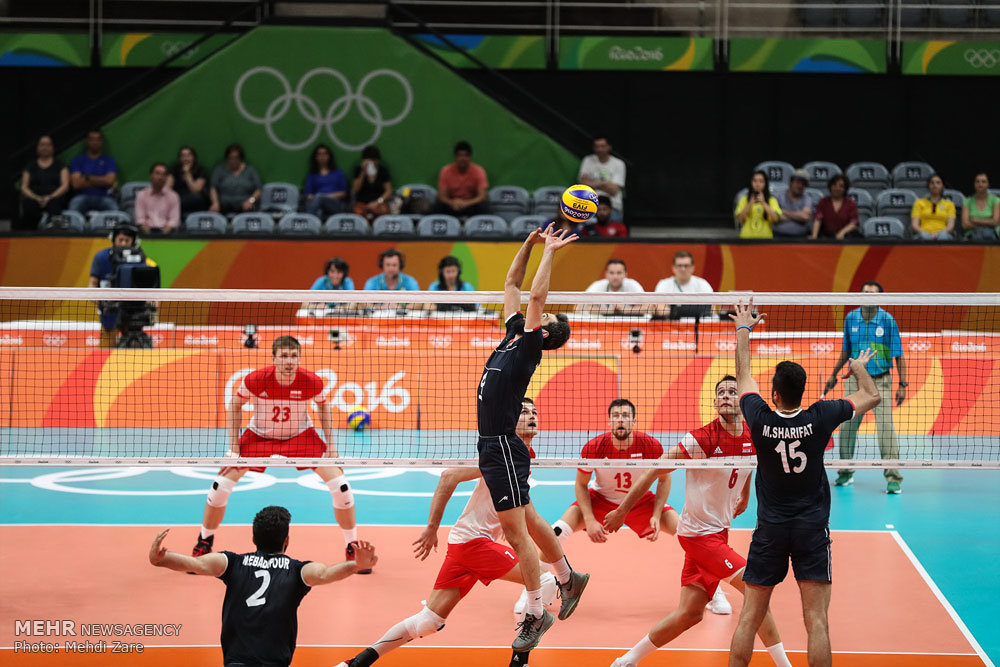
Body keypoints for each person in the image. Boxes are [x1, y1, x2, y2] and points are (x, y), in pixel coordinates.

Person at [334, 399, 561, 667]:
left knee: (428, 621)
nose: (531, 415)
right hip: (474, 543)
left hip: (466, 544)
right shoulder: (502, 453)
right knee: (544, 582)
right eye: (523, 412)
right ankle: (519, 659)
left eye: (534, 412)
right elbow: (448, 476)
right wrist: (431, 528)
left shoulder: (524, 456)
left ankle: (355, 663)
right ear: (511, 421)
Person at [726, 299, 881, 667]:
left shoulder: (759, 418)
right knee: (816, 622)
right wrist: (858, 367)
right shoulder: (821, 415)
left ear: (775, 394)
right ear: (802, 391)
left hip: (771, 531)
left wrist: (743, 329)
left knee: (750, 616)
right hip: (812, 529)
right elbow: (871, 396)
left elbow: (742, 374)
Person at [606, 376, 794, 667]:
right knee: (756, 589)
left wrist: (743, 494)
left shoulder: (751, 436)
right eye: (721, 393)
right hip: (698, 535)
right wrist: (621, 511)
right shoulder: (700, 440)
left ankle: (626, 661)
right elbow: (655, 470)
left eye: (733, 391)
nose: (727, 396)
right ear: (715, 402)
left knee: (690, 613)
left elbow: (748, 463)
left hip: (718, 532)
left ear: (742, 402)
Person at [476, 223, 588, 652]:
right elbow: (511, 283)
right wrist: (528, 243)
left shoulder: (528, 346)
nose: (534, 311)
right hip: (493, 444)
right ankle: (568, 578)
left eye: (544, 316)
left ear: (545, 331)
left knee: (515, 532)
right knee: (530, 517)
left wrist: (552, 251)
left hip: (503, 443)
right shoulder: (512, 334)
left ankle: (537, 614)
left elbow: (537, 296)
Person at [191, 336, 365, 571]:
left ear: (299, 358)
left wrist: (331, 445)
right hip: (259, 437)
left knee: (341, 484)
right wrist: (233, 448)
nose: (289, 361)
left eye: (294, 356)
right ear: (273, 359)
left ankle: (351, 545)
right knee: (219, 485)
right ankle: (204, 540)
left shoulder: (311, 381)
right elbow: (234, 404)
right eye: (283, 356)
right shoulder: (255, 380)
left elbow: (323, 406)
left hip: (300, 437)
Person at [150, 505, 376, 667]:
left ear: (253, 538)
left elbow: (196, 564)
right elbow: (326, 573)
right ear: (286, 540)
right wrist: (355, 565)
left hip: (235, 661)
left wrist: (161, 559)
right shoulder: (297, 570)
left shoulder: (232, 562)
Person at [548, 398, 680, 551]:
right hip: (601, 499)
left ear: (633, 421)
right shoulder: (594, 448)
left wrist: (656, 515)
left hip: (641, 502)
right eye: (616, 416)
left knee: (685, 532)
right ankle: (548, 574)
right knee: (557, 532)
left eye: (625, 415)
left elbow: (664, 480)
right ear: (610, 422)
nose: (620, 420)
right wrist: (589, 520)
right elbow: (581, 484)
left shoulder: (650, 446)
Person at [824, 281, 907, 493]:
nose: (869, 296)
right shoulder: (851, 318)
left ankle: (893, 477)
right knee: (847, 426)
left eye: (873, 294)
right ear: (859, 295)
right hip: (855, 380)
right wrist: (834, 374)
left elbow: (898, 354)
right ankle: (845, 471)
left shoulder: (887, 320)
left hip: (881, 380)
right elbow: (846, 350)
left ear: (880, 297)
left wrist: (903, 384)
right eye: (865, 293)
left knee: (886, 429)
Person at [88, 222, 157, 347]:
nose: (123, 244)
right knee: (105, 353)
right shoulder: (101, 257)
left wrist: (153, 302)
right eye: (120, 240)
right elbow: (92, 283)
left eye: (127, 240)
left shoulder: (141, 258)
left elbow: (150, 285)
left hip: (133, 313)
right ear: (113, 239)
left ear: (134, 241)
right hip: (109, 313)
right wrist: (97, 298)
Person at [20, 135, 69, 229]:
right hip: (34, 198)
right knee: (28, 204)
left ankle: (54, 231)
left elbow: (65, 186)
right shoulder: (30, 166)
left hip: (54, 197)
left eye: (48, 145)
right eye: (42, 145)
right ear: (37, 147)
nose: (45, 147)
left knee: (56, 204)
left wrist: (49, 197)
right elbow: (24, 187)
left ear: (53, 147)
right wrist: (36, 198)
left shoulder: (60, 166)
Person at [68, 128, 118, 214]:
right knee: (73, 207)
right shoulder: (77, 160)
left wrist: (87, 177)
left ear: (101, 142)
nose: (95, 142)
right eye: (92, 140)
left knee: (114, 210)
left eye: (98, 140)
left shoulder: (109, 160)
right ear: (87, 141)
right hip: (82, 196)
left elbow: (109, 181)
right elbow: (76, 184)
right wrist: (102, 181)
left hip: (104, 197)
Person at [435, 140, 488, 218]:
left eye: (466, 156)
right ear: (455, 157)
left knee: (484, 207)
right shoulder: (445, 171)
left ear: (470, 157)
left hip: (470, 204)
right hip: (452, 204)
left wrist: (466, 203)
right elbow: (442, 196)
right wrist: (452, 203)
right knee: (437, 206)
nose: (462, 159)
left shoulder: (479, 171)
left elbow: (482, 196)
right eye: (460, 155)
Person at [653, 250, 714, 318]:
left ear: (692, 268)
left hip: (697, 325)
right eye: (679, 265)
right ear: (673, 268)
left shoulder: (703, 284)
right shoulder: (663, 284)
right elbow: (659, 309)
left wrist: (674, 310)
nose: (683, 269)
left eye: (686, 266)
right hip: (670, 326)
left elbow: (711, 309)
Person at [578, 135, 626, 220]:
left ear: (609, 147)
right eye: (597, 147)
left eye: (602, 146)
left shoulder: (619, 164)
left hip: (612, 206)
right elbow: (583, 185)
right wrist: (604, 183)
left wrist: (592, 184)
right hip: (589, 205)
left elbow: (613, 190)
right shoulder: (588, 160)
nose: (599, 149)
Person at [577, 259, 644, 315]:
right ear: (606, 274)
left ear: (625, 274)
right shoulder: (597, 286)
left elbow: (648, 307)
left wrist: (624, 310)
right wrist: (609, 311)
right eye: (612, 273)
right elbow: (578, 307)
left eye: (619, 273)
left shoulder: (633, 285)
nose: (615, 277)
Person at [209, 143, 262, 215]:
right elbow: (213, 188)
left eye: (236, 158)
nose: (233, 161)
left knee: (251, 209)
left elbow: (258, 190)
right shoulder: (219, 170)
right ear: (227, 158)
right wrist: (215, 203)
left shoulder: (250, 170)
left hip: (245, 203)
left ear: (241, 158)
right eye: (231, 158)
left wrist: (250, 201)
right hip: (224, 204)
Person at [134, 163, 181, 234]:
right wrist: (150, 235)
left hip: (167, 234)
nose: (160, 177)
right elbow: (140, 219)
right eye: (157, 173)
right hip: (146, 233)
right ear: (151, 176)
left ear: (166, 178)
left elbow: (174, 221)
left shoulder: (173, 196)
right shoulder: (141, 195)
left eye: (163, 174)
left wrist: (162, 235)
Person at [811, 174, 859, 241]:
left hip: (845, 238)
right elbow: (818, 220)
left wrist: (842, 232)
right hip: (826, 237)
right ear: (830, 186)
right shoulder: (823, 202)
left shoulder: (851, 204)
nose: (837, 188)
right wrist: (814, 236)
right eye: (834, 185)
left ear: (845, 189)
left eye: (841, 186)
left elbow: (853, 223)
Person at [735, 170, 781, 239]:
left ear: (765, 184)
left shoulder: (772, 200)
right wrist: (750, 203)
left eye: (761, 181)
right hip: (746, 238)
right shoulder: (744, 199)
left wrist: (763, 203)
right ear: (751, 183)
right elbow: (740, 220)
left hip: (765, 238)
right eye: (755, 181)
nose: (757, 184)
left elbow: (776, 219)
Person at [305, 144, 347, 218]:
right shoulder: (312, 175)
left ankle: (307, 219)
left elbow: (343, 193)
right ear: (316, 157)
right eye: (319, 154)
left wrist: (325, 197)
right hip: (317, 203)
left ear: (329, 156)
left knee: (319, 197)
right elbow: (309, 195)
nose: (322, 157)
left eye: (325, 154)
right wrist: (317, 199)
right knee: (318, 210)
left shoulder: (338, 173)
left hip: (334, 203)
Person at [910, 173, 955, 241]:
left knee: (943, 237)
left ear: (943, 186)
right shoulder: (919, 202)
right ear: (928, 186)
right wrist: (925, 233)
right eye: (932, 183)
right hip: (924, 233)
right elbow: (915, 225)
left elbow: (950, 226)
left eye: (938, 183)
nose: (935, 185)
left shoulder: (949, 204)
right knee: (924, 237)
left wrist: (939, 233)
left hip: (942, 234)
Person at [352, 145, 392, 222]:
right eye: (369, 160)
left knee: (384, 211)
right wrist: (363, 172)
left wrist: (378, 202)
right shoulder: (359, 170)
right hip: (362, 204)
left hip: (378, 203)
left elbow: (388, 191)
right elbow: (355, 189)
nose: (372, 162)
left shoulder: (383, 171)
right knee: (358, 214)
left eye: (374, 159)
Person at [167, 145, 208, 216]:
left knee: (197, 197)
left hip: (195, 200)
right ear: (180, 158)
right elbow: (167, 188)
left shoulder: (200, 170)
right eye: (183, 156)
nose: (186, 159)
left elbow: (195, 190)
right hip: (177, 198)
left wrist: (187, 173)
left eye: (189, 155)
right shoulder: (174, 169)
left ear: (194, 158)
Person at [774, 169, 814, 238]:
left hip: (801, 238)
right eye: (798, 182)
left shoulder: (807, 199)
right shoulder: (778, 196)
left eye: (803, 184)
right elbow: (775, 217)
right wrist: (798, 217)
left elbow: (805, 217)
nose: (800, 186)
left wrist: (783, 211)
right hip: (777, 237)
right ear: (791, 182)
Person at [961, 172, 999, 241]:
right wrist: (986, 223)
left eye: (983, 182)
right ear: (974, 184)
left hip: (991, 234)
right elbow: (965, 225)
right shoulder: (967, 201)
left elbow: (995, 222)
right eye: (977, 182)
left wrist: (975, 220)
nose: (980, 184)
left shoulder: (996, 200)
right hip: (972, 235)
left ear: (988, 184)